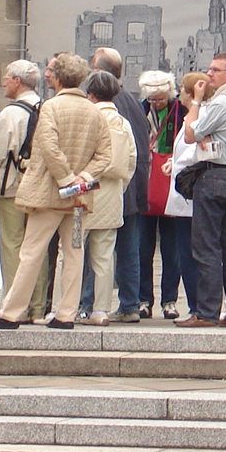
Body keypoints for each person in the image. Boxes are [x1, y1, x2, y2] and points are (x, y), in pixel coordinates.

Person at [0, 52, 111, 330]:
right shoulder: (93, 110)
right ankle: (66, 314)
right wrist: (82, 178)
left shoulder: (50, 107)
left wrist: (66, 180)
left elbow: (49, 147)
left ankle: (11, 313)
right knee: (74, 252)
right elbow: (104, 155)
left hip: (51, 195)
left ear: (60, 78)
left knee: (31, 251)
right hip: (79, 199)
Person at [177, 52, 226, 328]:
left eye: (215, 70)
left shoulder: (222, 102)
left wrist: (196, 102)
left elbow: (190, 134)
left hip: (214, 177)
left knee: (206, 246)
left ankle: (206, 312)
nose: (209, 74)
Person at [0, 59, 53, 321]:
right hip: (41, 186)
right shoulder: (46, 108)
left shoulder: (10, 114)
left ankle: (14, 305)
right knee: (37, 247)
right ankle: (37, 306)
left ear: (18, 81)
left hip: (11, 186)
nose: (3, 83)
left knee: (12, 246)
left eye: (8, 78)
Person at [90, 47, 149, 323]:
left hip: (110, 187)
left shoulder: (106, 107)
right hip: (132, 186)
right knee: (128, 249)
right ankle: (130, 304)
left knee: (97, 250)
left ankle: (89, 304)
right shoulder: (134, 103)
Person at [78, 70, 137, 325]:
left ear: (90, 93)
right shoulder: (123, 122)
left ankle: (71, 305)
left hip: (84, 191)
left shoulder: (88, 117)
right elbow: (132, 159)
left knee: (73, 251)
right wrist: (120, 185)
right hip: (112, 192)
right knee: (104, 255)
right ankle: (101, 310)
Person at [139, 69, 184, 320]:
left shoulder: (181, 111)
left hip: (171, 185)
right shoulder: (139, 110)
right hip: (146, 183)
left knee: (172, 249)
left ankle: (169, 300)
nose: (156, 102)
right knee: (142, 248)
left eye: (161, 98)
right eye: (153, 98)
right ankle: (143, 299)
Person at [163, 72, 204, 320]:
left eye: (182, 88)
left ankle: (197, 307)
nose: (179, 93)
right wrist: (173, 162)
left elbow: (198, 150)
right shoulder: (190, 115)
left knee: (189, 254)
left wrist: (180, 163)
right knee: (185, 252)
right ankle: (195, 305)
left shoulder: (198, 116)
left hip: (189, 198)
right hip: (181, 195)